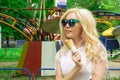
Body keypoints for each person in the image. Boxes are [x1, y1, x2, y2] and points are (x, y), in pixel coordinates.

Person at [55, 8, 108, 80]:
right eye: (64, 22)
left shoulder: (97, 50)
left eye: (71, 22)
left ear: (84, 25)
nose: (67, 25)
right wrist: (77, 68)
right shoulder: (61, 53)